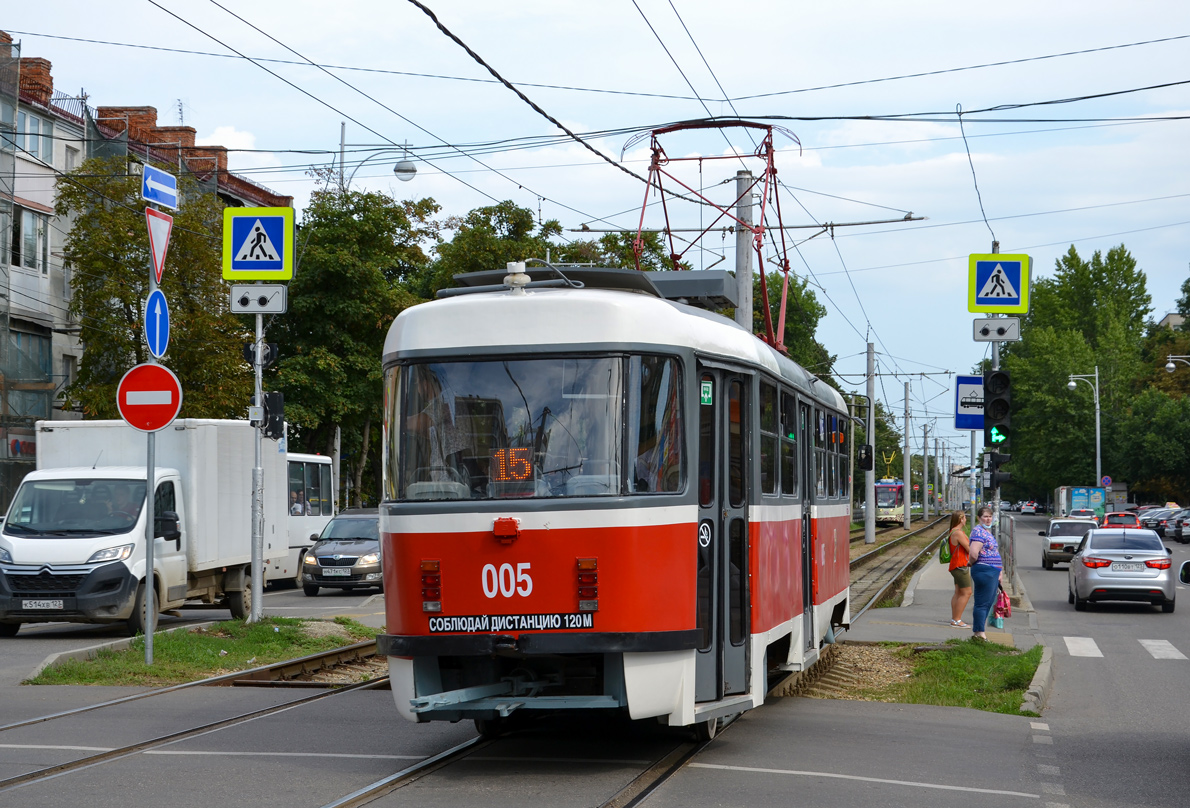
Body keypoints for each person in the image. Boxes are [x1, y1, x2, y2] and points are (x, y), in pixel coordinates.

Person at [968, 505, 1004, 640]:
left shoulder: (986, 531)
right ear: (979, 518)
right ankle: (979, 633)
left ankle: (979, 632)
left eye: (990, 516)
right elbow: (973, 553)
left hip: (992, 571)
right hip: (985, 570)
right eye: (985, 516)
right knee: (982, 603)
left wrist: (999, 572)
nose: (988, 519)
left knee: (987, 603)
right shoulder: (978, 532)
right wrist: (971, 562)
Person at [947, 511, 973, 628]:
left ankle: (954, 619)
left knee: (958, 592)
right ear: (961, 519)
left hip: (956, 566)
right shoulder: (958, 533)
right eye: (965, 518)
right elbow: (969, 549)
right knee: (967, 593)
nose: (966, 520)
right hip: (960, 566)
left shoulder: (953, 531)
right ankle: (957, 620)